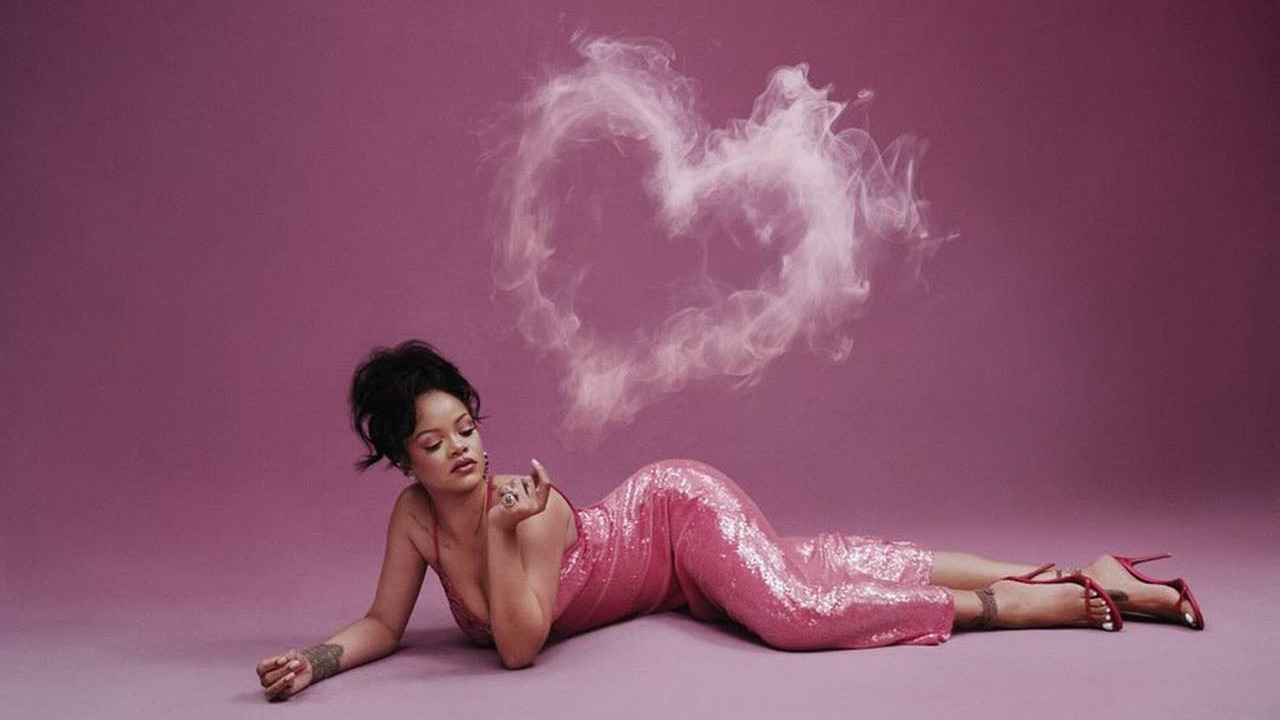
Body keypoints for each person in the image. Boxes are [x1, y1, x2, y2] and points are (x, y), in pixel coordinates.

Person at [255, 339, 1205, 700]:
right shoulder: (414, 519)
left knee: (795, 612)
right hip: (675, 577)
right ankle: (1094, 572)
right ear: (403, 462)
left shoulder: (527, 512)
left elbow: (515, 652)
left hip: (676, 511)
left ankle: (1019, 604)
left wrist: (507, 531)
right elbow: (384, 622)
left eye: (467, 427)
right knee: (823, 566)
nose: (462, 450)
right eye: (434, 443)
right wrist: (316, 659)